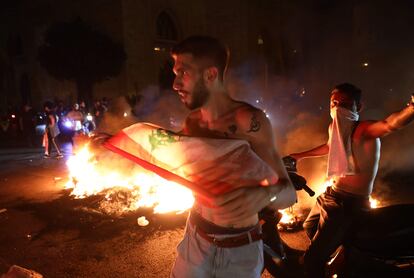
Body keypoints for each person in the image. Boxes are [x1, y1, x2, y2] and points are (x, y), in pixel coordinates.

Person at [169, 35, 296, 278]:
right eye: (175, 73)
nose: (175, 84)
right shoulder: (192, 123)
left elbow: (288, 193)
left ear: (210, 75)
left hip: (240, 253)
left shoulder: (249, 121)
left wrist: (265, 194)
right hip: (195, 242)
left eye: (183, 73)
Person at [288, 83, 414, 277]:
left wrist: (412, 108)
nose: (338, 108)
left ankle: (330, 260)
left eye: (345, 104)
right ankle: (344, 253)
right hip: (331, 195)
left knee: (313, 259)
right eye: (334, 103)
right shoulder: (335, 127)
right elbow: (330, 147)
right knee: (308, 226)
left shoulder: (365, 130)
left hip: (348, 205)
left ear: (359, 107)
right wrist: (298, 155)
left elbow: (390, 124)